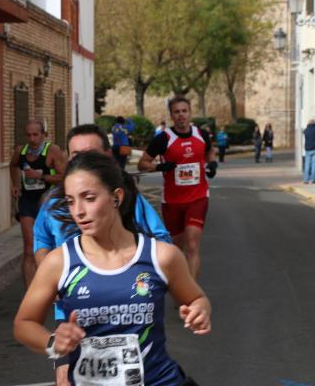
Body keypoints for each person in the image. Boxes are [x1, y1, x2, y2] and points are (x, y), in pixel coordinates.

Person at [14, 151, 211, 386]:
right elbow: (24, 324)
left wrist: (200, 310)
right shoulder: (59, 262)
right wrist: (52, 343)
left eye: (88, 198)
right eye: (70, 201)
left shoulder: (161, 256)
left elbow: (196, 298)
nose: (78, 211)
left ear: (116, 197)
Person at [33, 124, 172, 386]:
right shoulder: (54, 201)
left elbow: (161, 240)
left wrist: (131, 265)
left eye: (89, 153)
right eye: (75, 154)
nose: (81, 160)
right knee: (65, 378)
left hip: (126, 313)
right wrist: (49, 275)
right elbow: (41, 242)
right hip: (72, 314)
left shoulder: (126, 199)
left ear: (106, 157)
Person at [137, 95, 217, 280]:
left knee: (192, 245)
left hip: (198, 198)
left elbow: (209, 152)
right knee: (176, 247)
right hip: (172, 201)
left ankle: (190, 293)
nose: (181, 115)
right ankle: (178, 282)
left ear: (190, 113)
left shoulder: (201, 135)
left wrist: (212, 165)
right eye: (177, 112)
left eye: (184, 111)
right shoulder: (163, 139)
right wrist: (159, 167)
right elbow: (142, 163)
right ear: (172, 116)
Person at [10, 120, 66, 288]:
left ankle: (51, 286)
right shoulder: (21, 151)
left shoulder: (53, 151)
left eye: (36, 135)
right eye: (29, 135)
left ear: (44, 135)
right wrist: (15, 185)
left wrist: (41, 176)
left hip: (49, 202)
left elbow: (64, 176)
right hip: (27, 200)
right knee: (29, 248)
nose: (32, 138)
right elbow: (13, 166)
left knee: (49, 247)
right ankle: (30, 292)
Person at [303, 119, 315, 184]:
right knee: (314, 164)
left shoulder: (305, 130)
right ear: (314, 123)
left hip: (308, 149)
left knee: (307, 165)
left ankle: (306, 179)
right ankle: (313, 179)